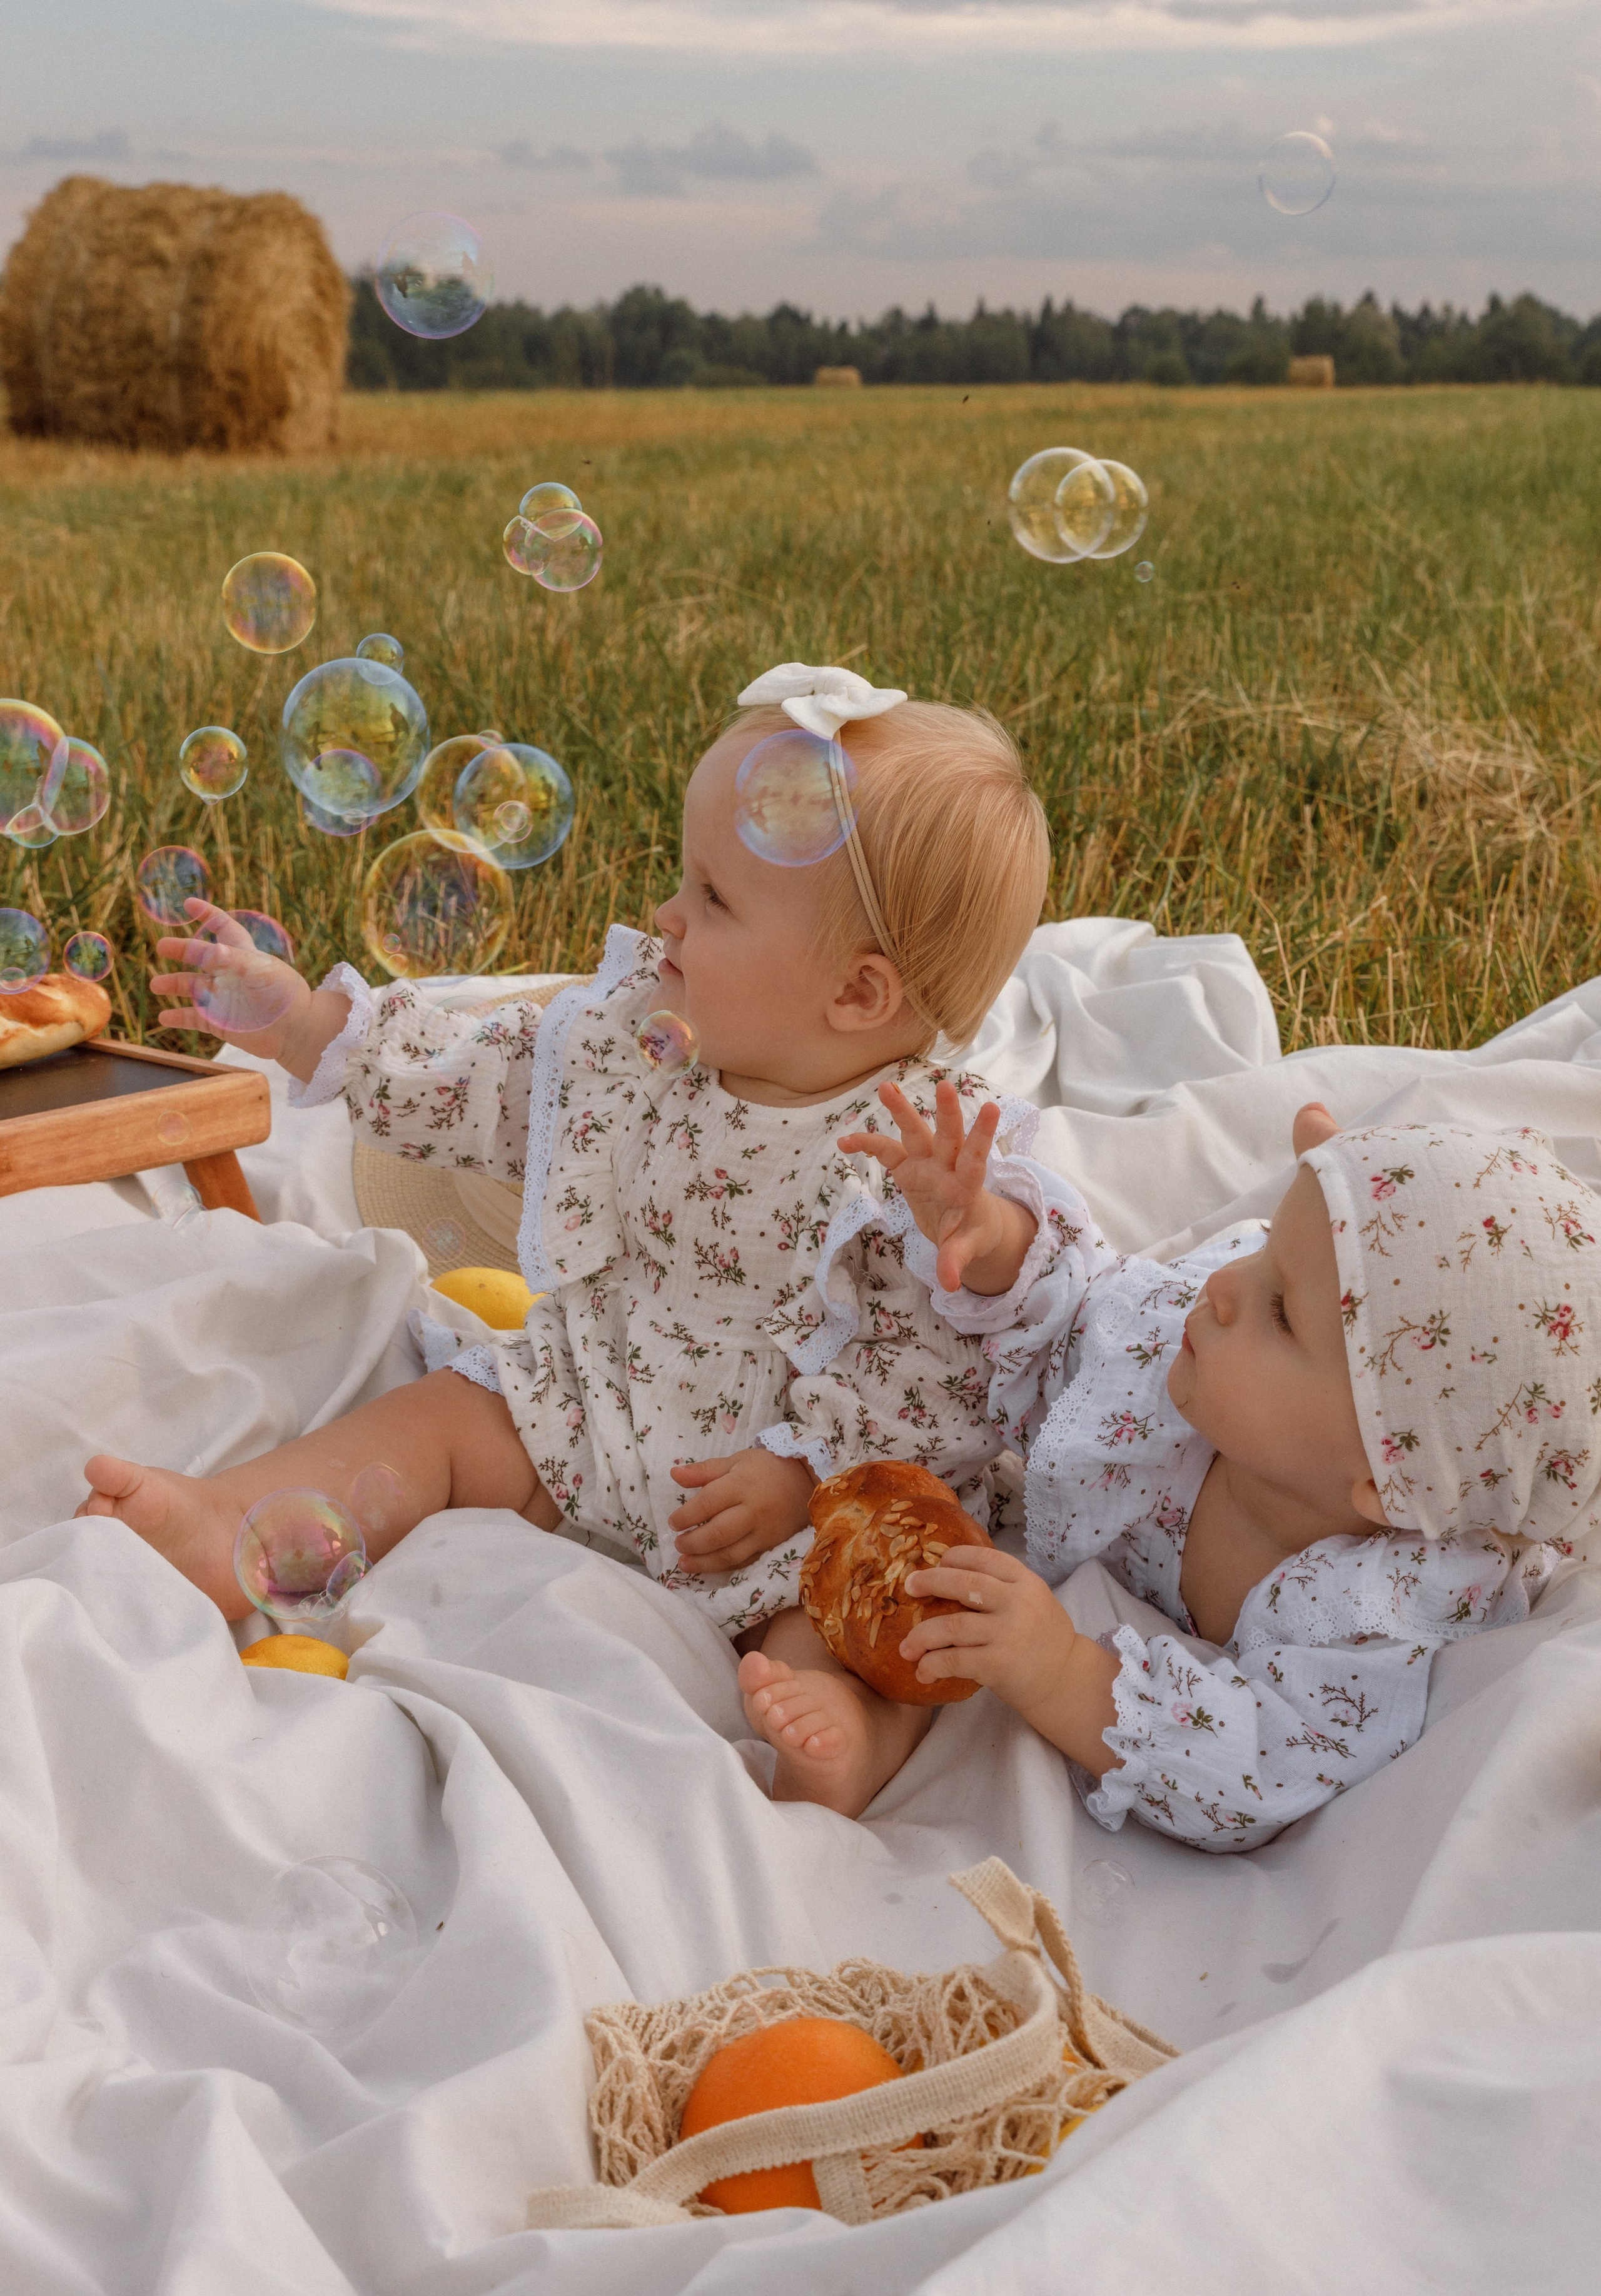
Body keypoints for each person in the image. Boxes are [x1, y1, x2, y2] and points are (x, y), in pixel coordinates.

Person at [77, 664, 1051, 1634]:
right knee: (442, 1420)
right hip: (591, 1400)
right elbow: (484, 1079)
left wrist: (807, 1473)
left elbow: (938, 1377)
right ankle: (227, 1523)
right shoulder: (643, 1038)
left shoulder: (921, 1157)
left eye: (714, 899)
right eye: (686, 878)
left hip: (768, 1491)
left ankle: (835, 1721)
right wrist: (310, 1025)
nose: (667, 915)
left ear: (857, 995)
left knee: (860, 1591)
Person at [739, 1100, 1600, 1844]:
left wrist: (1060, 1671)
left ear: (1383, 1486)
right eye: (1262, 1252)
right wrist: (991, 1235)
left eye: (1279, 1311)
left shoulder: (1384, 1607)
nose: (1223, 1283)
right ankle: (839, 1710)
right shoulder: (1169, 1355)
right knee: (849, 1586)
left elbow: (1256, 1766)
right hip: (1002, 1510)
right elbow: (1071, 1311)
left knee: (972, 1639)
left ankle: (859, 1744)